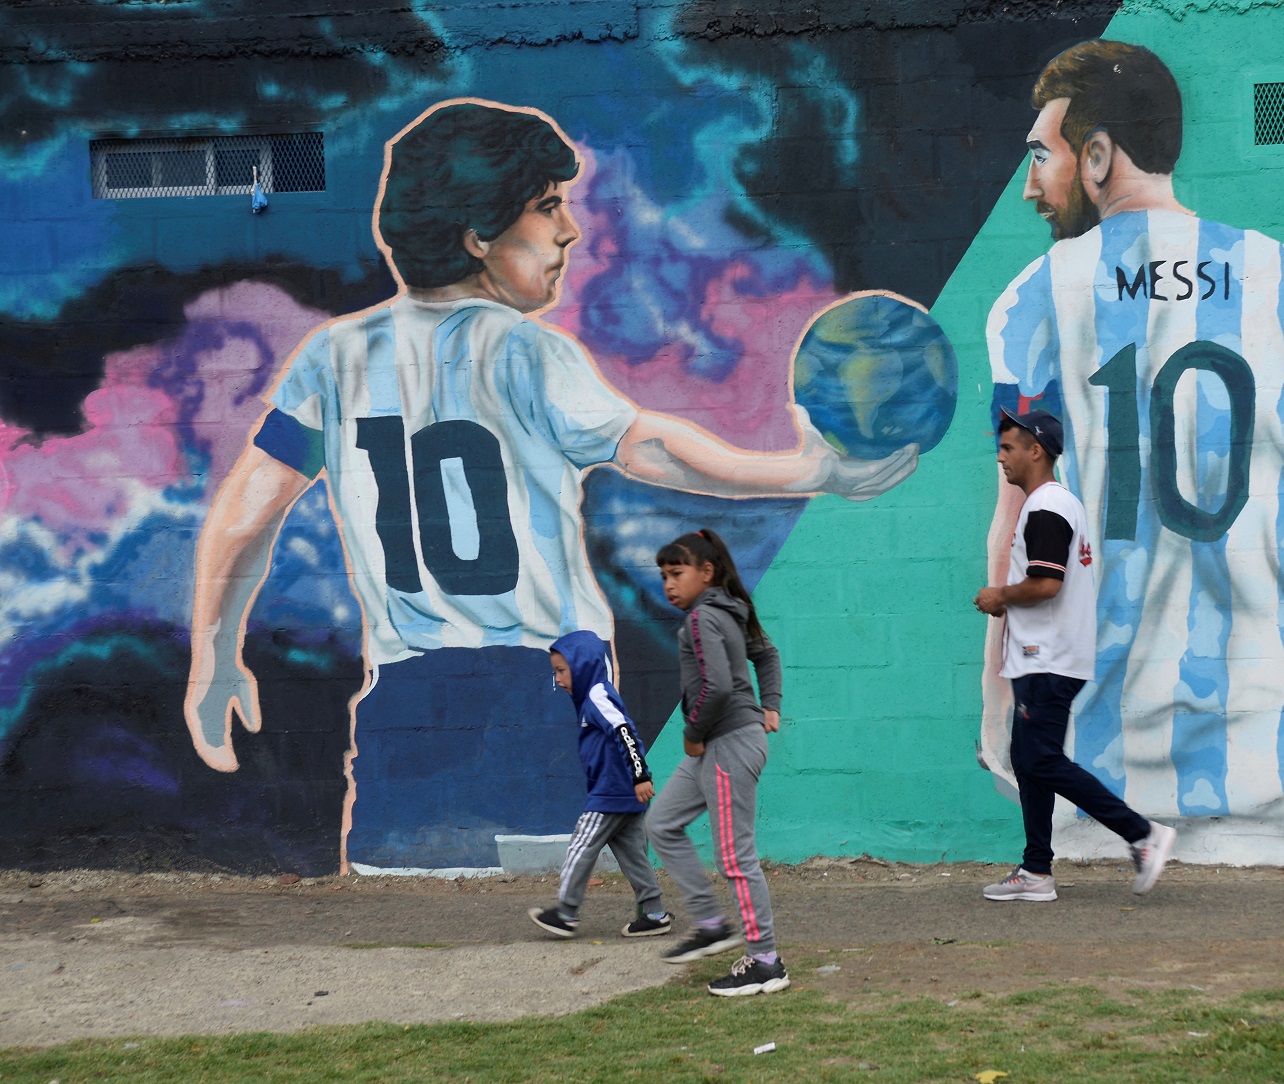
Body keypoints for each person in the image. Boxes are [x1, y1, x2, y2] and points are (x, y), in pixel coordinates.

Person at [184, 98, 917, 873]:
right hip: (545, 687)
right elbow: (653, 449)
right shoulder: (529, 353)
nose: (568, 229)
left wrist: (213, 653)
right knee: (574, 909)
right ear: (477, 234)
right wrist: (804, 472)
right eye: (546, 207)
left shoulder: (331, 358)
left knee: (410, 926)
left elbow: (245, 512)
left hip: (405, 702)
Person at [981, 41, 1284, 867]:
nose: (1029, 187)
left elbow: (1017, 510)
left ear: (1096, 156)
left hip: (1099, 756)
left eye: (1040, 157)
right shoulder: (1278, 273)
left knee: (1094, 989)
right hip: (1273, 749)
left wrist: (998, 699)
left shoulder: (1032, 297)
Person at [976, 409, 1176, 900]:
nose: (1001, 457)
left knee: (1039, 759)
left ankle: (1142, 835)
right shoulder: (1053, 503)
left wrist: (1000, 596)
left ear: (1035, 450)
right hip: (1043, 655)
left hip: (1047, 656)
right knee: (1029, 760)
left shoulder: (1047, 506)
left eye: (1008, 447)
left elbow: (1046, 583)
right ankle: (1037, 871)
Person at [645, 529, 789, 997]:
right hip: (722, 742)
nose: (668, 583)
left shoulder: (706, 617)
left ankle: (766, 961)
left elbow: (718, 686)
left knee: (735, 856)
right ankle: (710, 922)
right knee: (663, 822)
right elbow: (766, 655)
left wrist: (691, 734)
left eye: (677, 573)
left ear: (706, 573)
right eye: (664, 575)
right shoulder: (729, 611)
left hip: (723, 743)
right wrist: (769, 704)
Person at [526, 630, 671, 940]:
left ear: (583, 665)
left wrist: (640, 775)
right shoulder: (593, 696)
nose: (559, 679)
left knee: (582, 843)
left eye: (562, 670)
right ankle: (655, 913)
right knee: (633, 856)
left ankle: (565, 912)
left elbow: (625, 732)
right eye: (555, 671)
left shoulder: (597, 695)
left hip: (611, 793)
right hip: (624, 794)